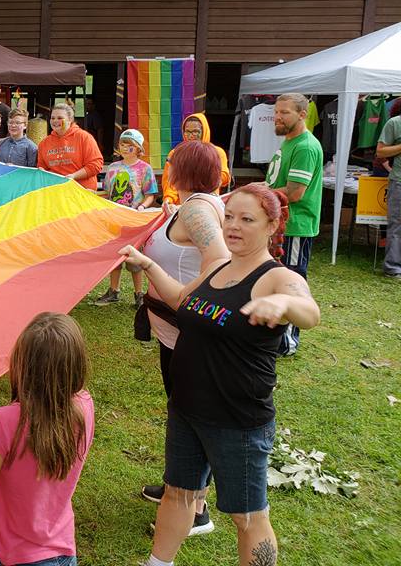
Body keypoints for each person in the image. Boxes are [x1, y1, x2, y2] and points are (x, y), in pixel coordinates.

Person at [120, 184, 320, 566]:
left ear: (272, 225)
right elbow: (180, 299)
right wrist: (148, 266)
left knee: (248, 516)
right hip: (187, 409)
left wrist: (285, 303)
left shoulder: (277, 278)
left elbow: (309, 311)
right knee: (178, 493)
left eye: (247, 219)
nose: (233, 226)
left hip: (237, 419)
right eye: (229, 217)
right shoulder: (219, 266)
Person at [137, 140, 231, 536]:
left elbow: (221, 260)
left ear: (184, 169)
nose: (166, 166)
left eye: (171, 161)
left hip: (188, 335)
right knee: (181, 412)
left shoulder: (196, 209)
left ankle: (197, 509)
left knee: (192, 416)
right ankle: (180, 485)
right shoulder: (191, 205)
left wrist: (179, 296)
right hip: (174, 334)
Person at [0, 312, 94, 566]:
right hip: (63, 549)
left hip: (14, 555)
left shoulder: (5, 423)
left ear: (22, 364)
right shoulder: (85, 405)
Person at [264, 93, 323, 356]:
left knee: (292, 279)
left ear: (302, 114)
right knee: (276, 276)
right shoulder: (288, 142)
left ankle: (288, 341)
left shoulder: (305, 146)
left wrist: (261, 195)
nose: (278, 117)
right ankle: (275, 333)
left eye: (285, 112)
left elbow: (296, 192)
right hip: (280, 223)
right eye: (277, 112)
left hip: (296, 226)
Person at [94, 129, 158, 307]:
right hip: (114, 219)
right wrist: (91, 195)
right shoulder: (113, 168)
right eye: (122, 143)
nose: (125, 147)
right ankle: (113, 290)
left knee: (133, 258)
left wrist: (142, 207)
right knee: (114, 254)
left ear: (138, 148)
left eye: (129, 145)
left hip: (133, 220)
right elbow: (108, 192)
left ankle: (139, 295)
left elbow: (151, 194)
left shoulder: (145, 169)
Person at [160, 113, 230, 208]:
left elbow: (224, 176)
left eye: (196, 131)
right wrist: (168, 199)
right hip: (180, 205)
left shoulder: (217, 152)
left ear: (204, 131)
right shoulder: (175, 153)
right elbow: (170, 180)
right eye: (187, 131)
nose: (191, 135)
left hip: (207, 202)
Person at [37, 103, 104, 190]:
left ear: (70, 120)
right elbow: (42, 166)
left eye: (60, 118)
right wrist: (41, 171)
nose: (55, 121)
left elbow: (96, 164)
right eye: (52, 118)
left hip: (81, 191)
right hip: (55, 191)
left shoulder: (84, 137)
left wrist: (74, 176)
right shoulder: (44, 143)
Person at [377, 105, 401, 279]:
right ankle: (393, 268)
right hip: (399, 181)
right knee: (397, 225)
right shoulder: (395, 123)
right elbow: (381, 151)